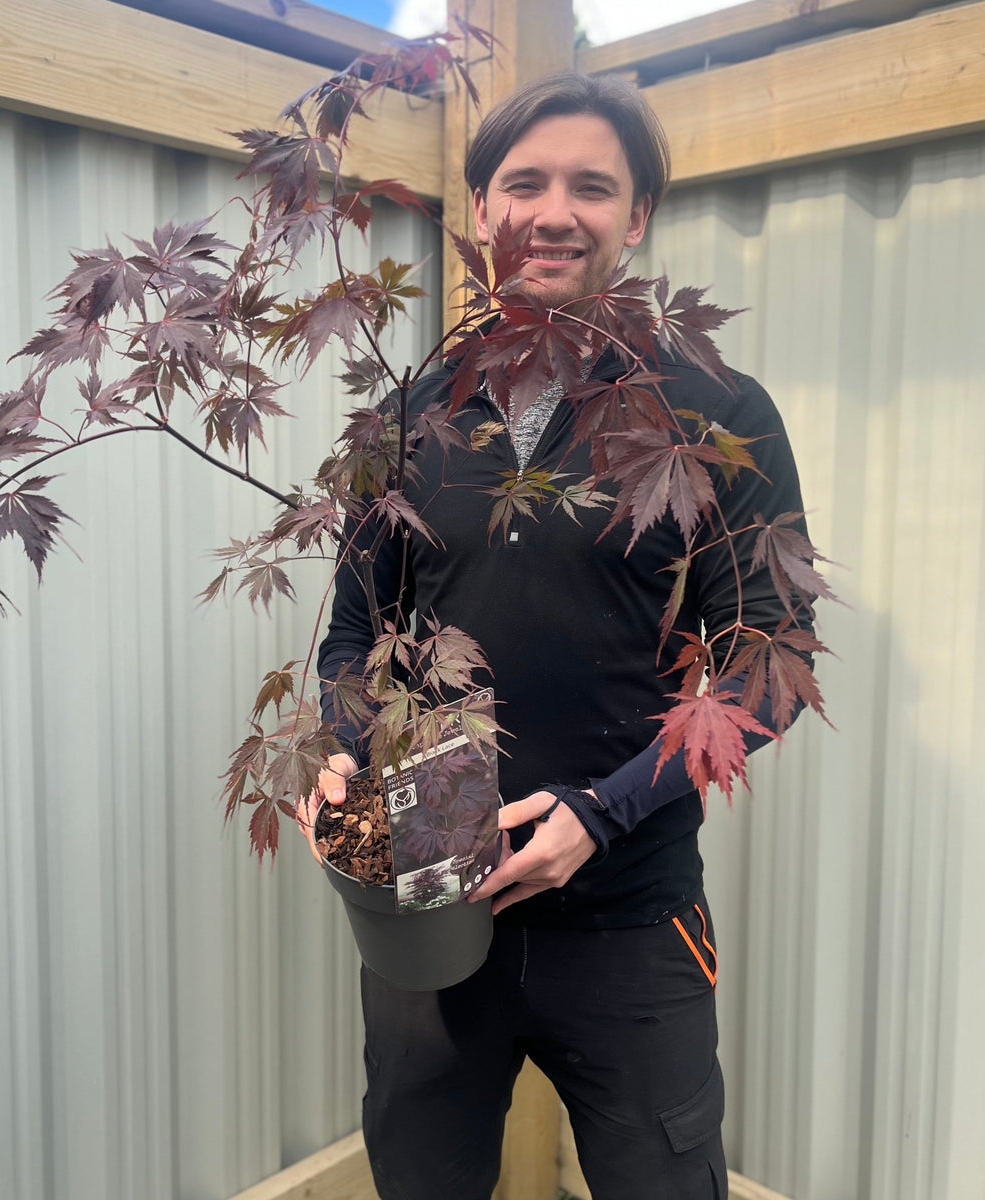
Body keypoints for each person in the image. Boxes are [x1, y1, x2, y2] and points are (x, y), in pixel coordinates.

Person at [301, 71, 812, 1200]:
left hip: (630, 920)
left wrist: (603, 810)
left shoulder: (716, 412)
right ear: (482, 210)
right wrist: (337, 744)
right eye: (523, 182)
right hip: (432, 908)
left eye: (592, 186)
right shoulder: (409, 409)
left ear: (634, 219)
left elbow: (772, 662)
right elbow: (351, 638)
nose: (554, 210)